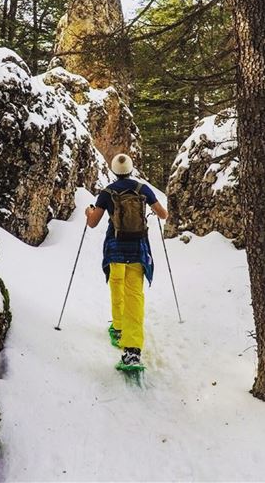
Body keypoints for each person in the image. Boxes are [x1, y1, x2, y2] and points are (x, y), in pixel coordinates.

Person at [85, 153, 168, 368]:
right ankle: (132, 349)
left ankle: (119, 327)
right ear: (131, 169)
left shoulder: (107, 192)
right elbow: (163, 214)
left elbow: (93, 223)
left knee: (116, 285)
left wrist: (89, 211)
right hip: (138, 248)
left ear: (113, 171)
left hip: (115, 247)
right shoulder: (142, 189)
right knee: (135, 295)